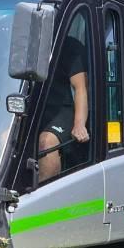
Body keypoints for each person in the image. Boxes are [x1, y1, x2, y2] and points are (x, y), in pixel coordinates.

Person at [38, 36, 89, 183]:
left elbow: (80, 88)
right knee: (4, 138)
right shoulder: (27, 43)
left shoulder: (69, 45)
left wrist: (79, 125)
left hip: (62, 108)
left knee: (46, 142)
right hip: (35, 109)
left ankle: (44, 196)